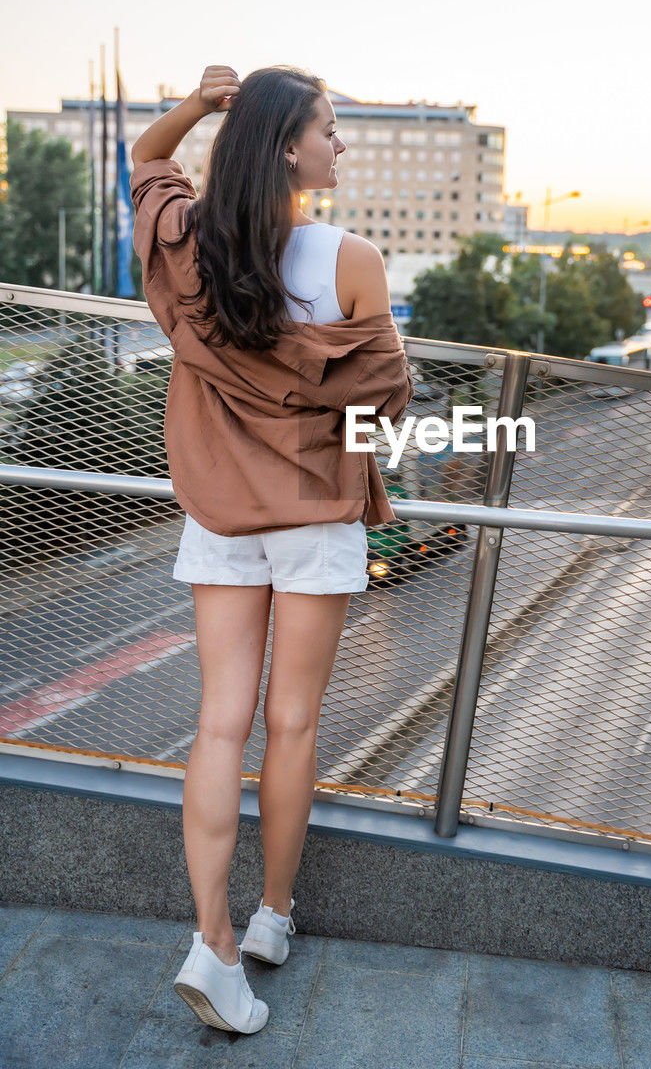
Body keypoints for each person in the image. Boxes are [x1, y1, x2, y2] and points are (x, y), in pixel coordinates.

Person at [130, 64, 413, 1035]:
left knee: (219, 722)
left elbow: (148, 156)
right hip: (312, 514)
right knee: (290, 723)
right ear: (289, 146)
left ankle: (210, 938)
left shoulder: (184, 243)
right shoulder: (351, 260)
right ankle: (271, 915)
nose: (341, 144)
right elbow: (382, 396)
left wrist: (203, 106)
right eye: (329, 129)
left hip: (218, 511)